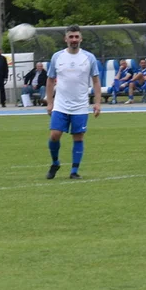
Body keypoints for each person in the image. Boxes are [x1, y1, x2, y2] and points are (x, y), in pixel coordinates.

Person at [45, 25, 101, 180]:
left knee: (78, 137)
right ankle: (55, 163)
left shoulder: (89, 58)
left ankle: (74, 171)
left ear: (81, 39)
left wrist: (97, 103)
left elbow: (96, 81)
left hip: (81, 105)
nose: (74, 40)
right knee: (55, 135)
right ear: (66, 39)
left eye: (77, 37)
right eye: (71, 37)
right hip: (60, 104)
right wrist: (50, 102)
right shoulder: (57, 57)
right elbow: (50, 81)